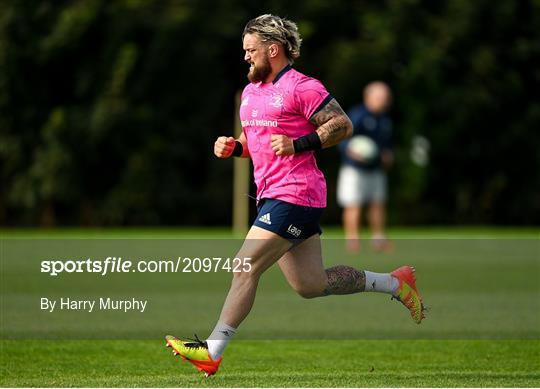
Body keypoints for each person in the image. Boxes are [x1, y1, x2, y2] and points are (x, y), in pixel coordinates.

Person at [165, 15, 424, 377]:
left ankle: (212, 349)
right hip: (273, 196)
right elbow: (257, 146)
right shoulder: (252, 93)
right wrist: (234, 149)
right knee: (310, 285)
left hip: (297, 193)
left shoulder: (302, 87)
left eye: (251, 50)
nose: (245, 57)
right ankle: (395, 283)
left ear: (273, 50)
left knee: (244, 265)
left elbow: (342, 125)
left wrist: (298, 143)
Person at [337, 82, 394, 252]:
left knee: (378, 203)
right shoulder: (357, 115)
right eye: (379, 97)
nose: (383, 101)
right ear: (368, 97)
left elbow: (387, 145)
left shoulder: (384, 120)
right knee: (353, 204)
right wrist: (351, 151)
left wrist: (388, 155)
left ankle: (378, 239)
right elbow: (342, 138)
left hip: (375, 170)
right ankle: (353, 241)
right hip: (354, 170)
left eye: (385, 98)